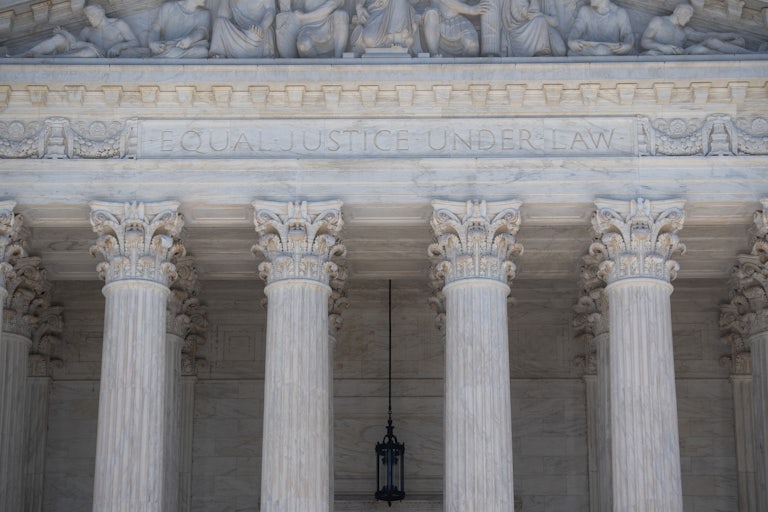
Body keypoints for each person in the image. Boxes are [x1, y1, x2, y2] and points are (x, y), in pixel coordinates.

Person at [16, 4, 145, 58]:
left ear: (101, 12)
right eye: (88, 17)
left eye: (93, 15)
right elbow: (75, 45)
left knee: (88, 53)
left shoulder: (118, 24)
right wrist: (65, 33)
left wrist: (119, 46)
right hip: (88, 52)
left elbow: (135, 42)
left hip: (104, 56)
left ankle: (52, 60)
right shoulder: (87, 31)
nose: (91, 19)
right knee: (59, 38)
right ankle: (29, 54)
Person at [641, 3, 752, 55]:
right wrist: (663, 47)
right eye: (687, 14)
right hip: (659, 54)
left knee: (711, 41)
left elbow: (706, 36)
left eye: (690, 16)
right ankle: (730, 63)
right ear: (677, 11)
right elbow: (644, 41)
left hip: (681, 55)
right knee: (701, 50)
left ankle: (747, 55)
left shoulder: (684, 31)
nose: (688, 19)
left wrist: (730, 35)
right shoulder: (659, 21)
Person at [275, 0, 349, 58]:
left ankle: (337, 59)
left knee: (341, 15)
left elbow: (332, 4)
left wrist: (305, 16)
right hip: (308, 27)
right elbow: (296, 10)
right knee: (303, 45)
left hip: (329, 22)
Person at [422, 0, 492, 57]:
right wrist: (471, 10)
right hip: (437, 20)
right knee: (431, 14)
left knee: (472, 45)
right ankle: (433, 53)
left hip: (458, 20)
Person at [349, 0, 421, 55]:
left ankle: (398, 37)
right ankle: (398, 37)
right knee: (369, 39)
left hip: (396, 6)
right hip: (376, 10)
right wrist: (359, 7)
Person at [209, 0, 276, 58]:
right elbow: (223, 15)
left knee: (268, 30)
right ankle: (219, 53)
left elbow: (271, 11)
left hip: (257, 33)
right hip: (238, 32)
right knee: (219, 22)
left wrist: (262, 26)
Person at [567, 0, 634, 56]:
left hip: (612, 50)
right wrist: (571, 41)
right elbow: (577, 29)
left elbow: (627, 34)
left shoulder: (620, 13)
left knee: (602, 51)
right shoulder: (585, 11)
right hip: (589, 48)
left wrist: (628, 46)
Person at [501, 0, 566, 57]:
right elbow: (520, 16)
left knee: (561, 50)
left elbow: (555, 22)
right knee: (540, 21)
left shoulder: (548, 1)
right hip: (520, 29)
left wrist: (540, 14)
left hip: (541, 27)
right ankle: (542, 51)